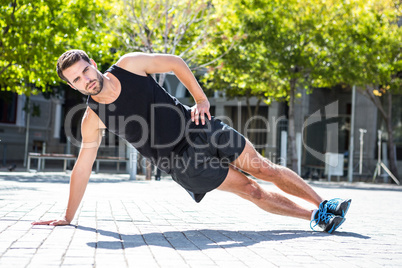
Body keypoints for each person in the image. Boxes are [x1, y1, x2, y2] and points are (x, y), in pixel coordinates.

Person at [32, 50, 351, 233]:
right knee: (251, 189)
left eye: (85, 70)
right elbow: (82, 167)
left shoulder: (129, 65)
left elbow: (174, 62)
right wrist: (68, 216)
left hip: (200, 126)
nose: (85, 79)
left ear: (92, 64)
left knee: (264, 169)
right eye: (77, 79)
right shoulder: (93, 117)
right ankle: (315, 218)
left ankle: (324, 204)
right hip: (184, 163)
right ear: (74, 86)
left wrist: (201, 100)